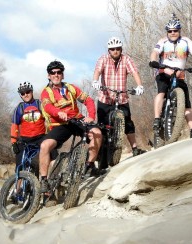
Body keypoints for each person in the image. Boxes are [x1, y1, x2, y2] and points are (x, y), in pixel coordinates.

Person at [39, 60, 102, 193]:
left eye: (59, 72)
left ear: (62, 75)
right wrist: (58, 112)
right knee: (45, 145)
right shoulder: (46, 92)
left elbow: (88, 100)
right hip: (60, 124)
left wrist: (91, 115)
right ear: (48, 75)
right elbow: (47, 106)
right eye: (53, 73)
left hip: (76, 120)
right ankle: (43, 180)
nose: (56, 75)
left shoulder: (71, 88)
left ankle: (90, 165)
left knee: (97, 133)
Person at [149, 13, 192, 139]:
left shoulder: (186, 41)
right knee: (161, 92)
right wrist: (153, 61)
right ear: (167, 32)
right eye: (170, 31)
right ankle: (157, 119)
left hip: (179, 74)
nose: (173, 33)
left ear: (179, 31)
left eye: (175, 31)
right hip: (163, 72)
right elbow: (155, 52)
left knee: (187, 104)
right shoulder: (162, 41)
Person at [92, 36, 145, 165]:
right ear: (109, 50)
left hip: (121, 98)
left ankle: (134, 149)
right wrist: (95, 81)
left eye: (117, 49)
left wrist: (139, 86)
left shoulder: (126, 59)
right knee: (102, 128)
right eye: (112, 49)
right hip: (105, 98)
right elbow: (98, 70)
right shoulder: (103, 59)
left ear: (121, 49)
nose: (115, 51)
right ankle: (101, 158)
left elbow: (134, 72)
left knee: (128, 123)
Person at [10, 81, 46, 173]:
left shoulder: (40, 104)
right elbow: (15, 125)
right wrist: (14, 142)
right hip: (25, 139)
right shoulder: (19, 108)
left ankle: (47, 182)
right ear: (20, 95)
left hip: (40, 138)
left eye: (27, 92)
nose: (25, 95)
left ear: (32, 91)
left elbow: (50, 120)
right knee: (19, 167)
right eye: (22, 93)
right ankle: (18, 187)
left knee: (50, 158)